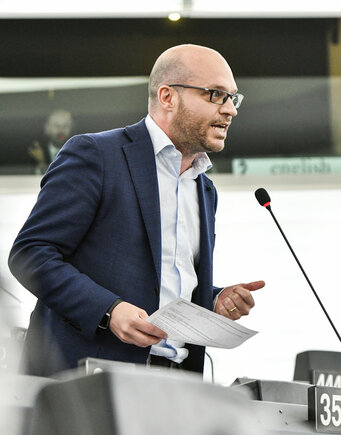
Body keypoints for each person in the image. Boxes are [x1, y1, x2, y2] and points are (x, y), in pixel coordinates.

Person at [9, 44, 265, 377]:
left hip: (176, 384)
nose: (230, 110)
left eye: (233, 98)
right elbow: (31, 254)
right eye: (216, 95)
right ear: (167, 96)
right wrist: (108, 311)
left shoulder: (205, 188)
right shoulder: (96, 156)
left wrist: (212, 299)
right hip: (84, 385)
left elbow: (166, 280)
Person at [27, 109, 73, 175]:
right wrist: (41, 162)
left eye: (65, 126)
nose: (61, 130)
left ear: (71, 128)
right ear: (47, 128)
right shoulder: (35, 152)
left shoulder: (78, 152)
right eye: (57, 126)